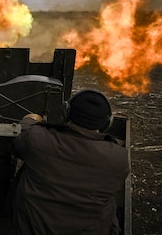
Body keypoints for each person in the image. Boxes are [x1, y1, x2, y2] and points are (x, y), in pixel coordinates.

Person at [10, 89, 130, 235]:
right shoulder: (118, 158)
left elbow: (20, 135)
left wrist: (32, 118)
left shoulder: (37, 139)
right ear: (107, 123)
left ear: (66, 112)